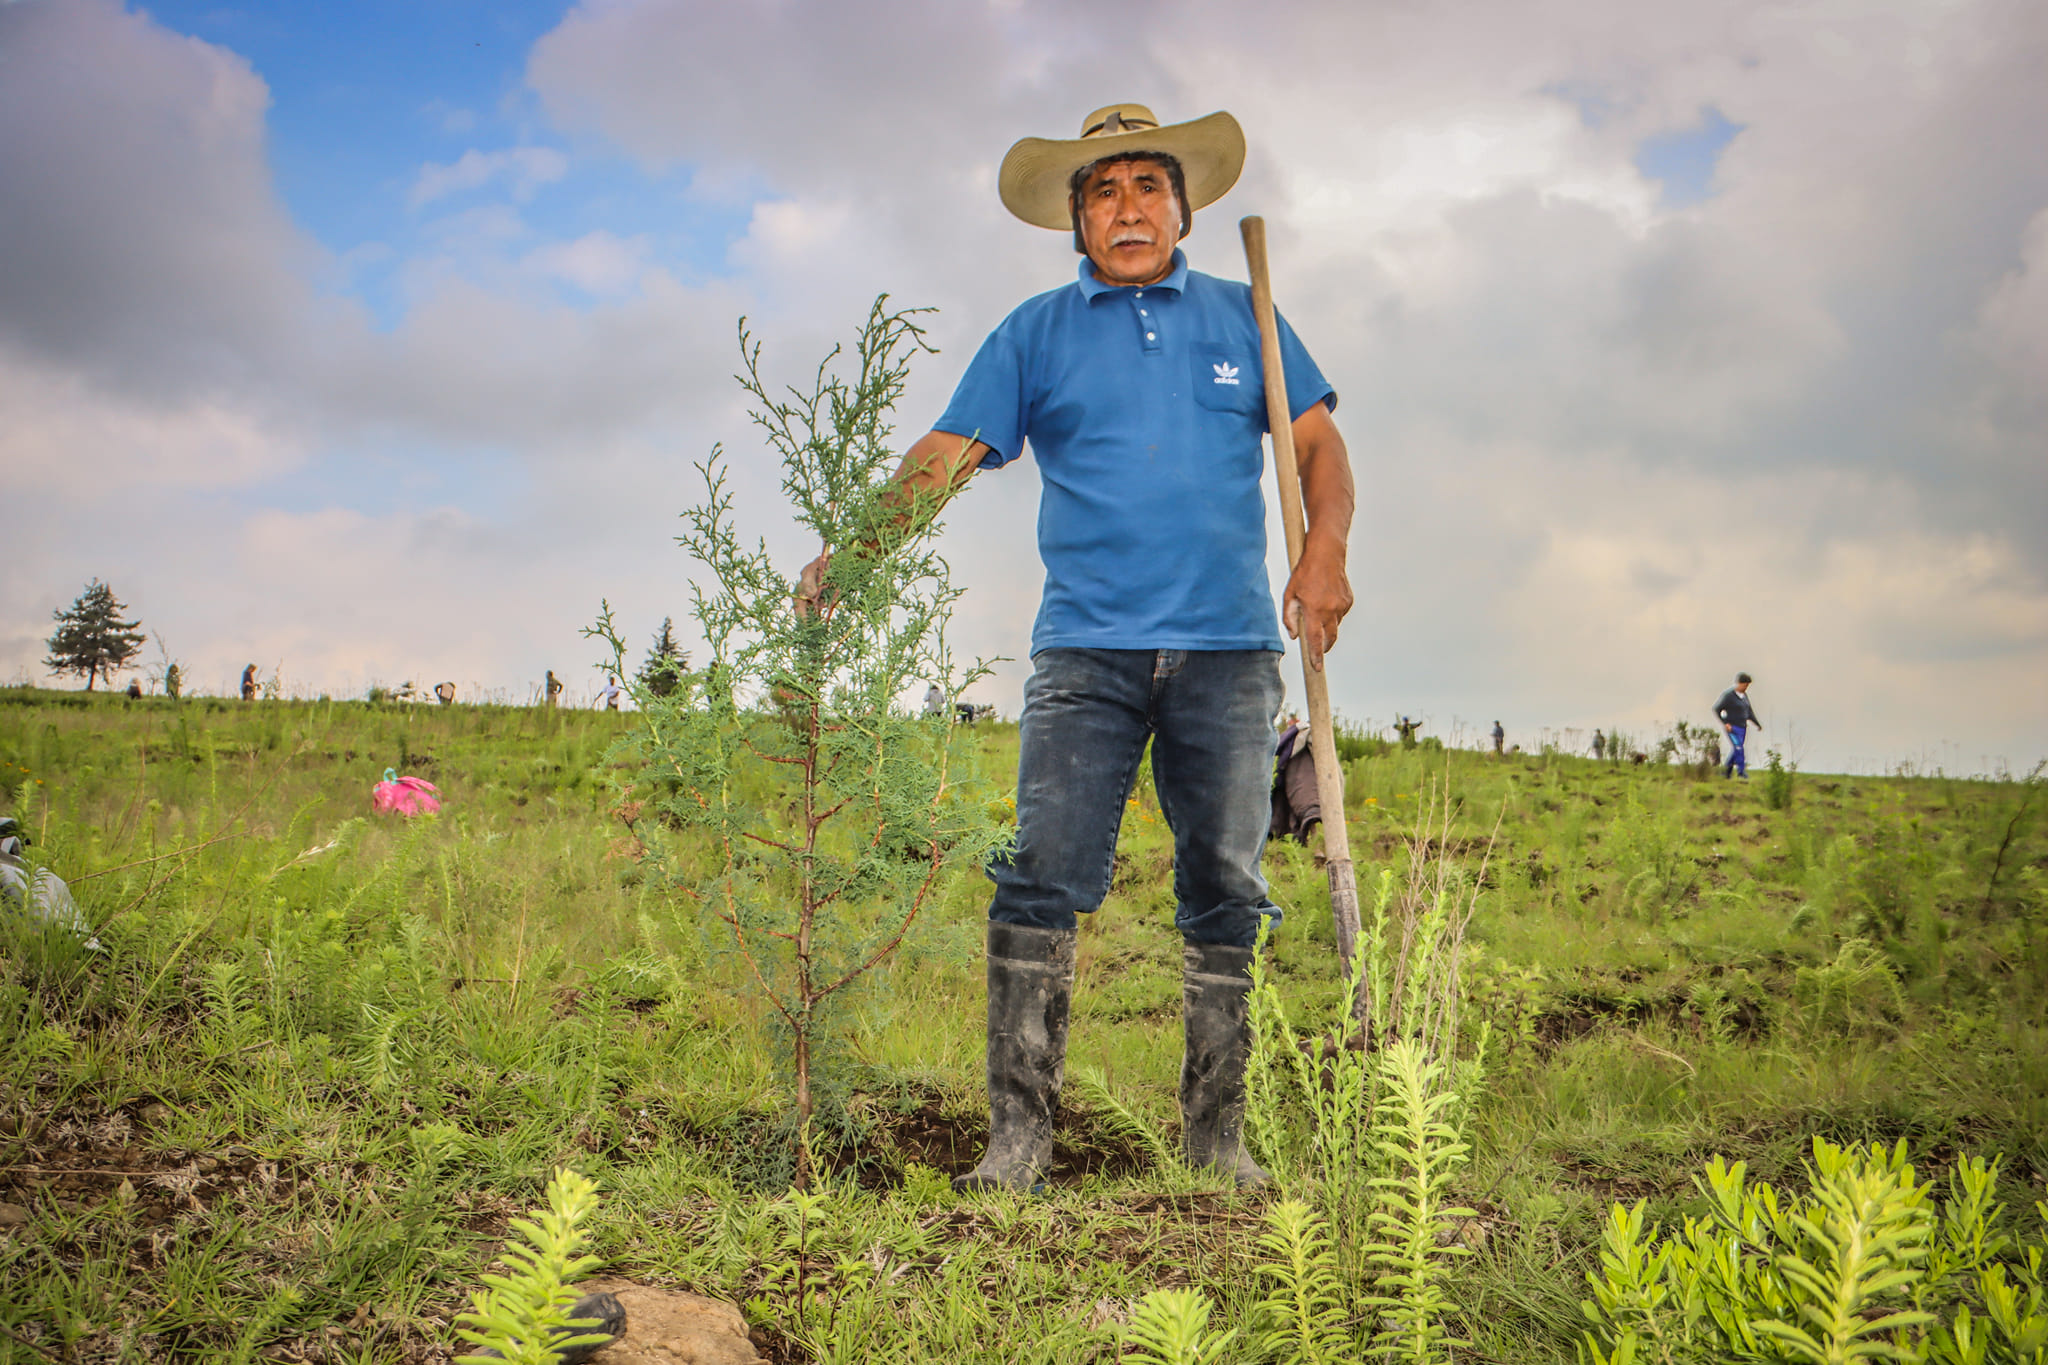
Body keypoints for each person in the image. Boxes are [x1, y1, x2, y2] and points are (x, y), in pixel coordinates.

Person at [795, 102, 1354, 1191]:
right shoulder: (1034, 332)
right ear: (1076, 220)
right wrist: (854, 550)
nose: (1127, 206)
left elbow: (1318, 447)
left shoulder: (1249, 315)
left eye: (1148, 184)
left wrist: (1322, 553)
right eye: (1102, 190)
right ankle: (1016, 1143)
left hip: (1231, 651)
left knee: (1225, 884)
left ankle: (1215, 1146)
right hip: (1083, 655)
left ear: (1182, 207)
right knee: (1042, 874)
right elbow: (949, 452)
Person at [1269, 715, 1333, 846]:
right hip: (1306, 794)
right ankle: (1315, 845)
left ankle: (1317, 846)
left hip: (1308, 794)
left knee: (1310, 813)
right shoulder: (1296, 748)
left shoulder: (1298, 746)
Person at [1714, 672, 1761, 778]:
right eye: (1745, 685)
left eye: (1747, 685)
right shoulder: (1728, 696)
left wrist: (1757, 724)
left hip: (1742, 728)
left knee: (1736, 750)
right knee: (1739, 748)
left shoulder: (1744, 697)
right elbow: (1716, 709)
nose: (1746, 687)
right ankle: (1741, 772)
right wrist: (1725, 723)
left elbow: (1749, 712)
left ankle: (1726, 772)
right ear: (1739, 683)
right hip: (1732, 728)